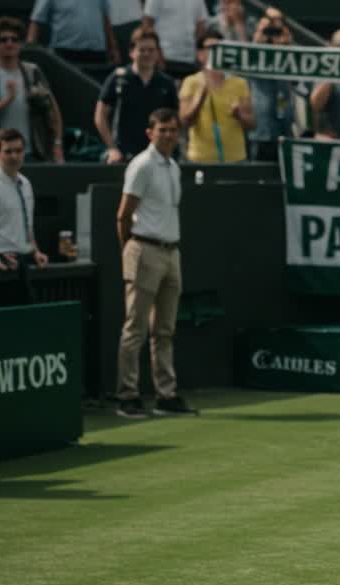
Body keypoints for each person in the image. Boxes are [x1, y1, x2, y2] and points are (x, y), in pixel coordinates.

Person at [114, 108, 198, 419]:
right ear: (150, 133)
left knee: (165, 329)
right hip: (144, 248)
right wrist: (130, 250)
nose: (168, 135)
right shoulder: (141, 165)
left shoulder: (173, 167)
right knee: (135, 327)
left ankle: (166, 394)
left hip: (171, 251)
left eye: (172, 130)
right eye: (162, 130)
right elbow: (123, 214)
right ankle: (128, 396)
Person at [0, 17, 65, 164]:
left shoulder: (32, 72)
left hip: (31, 153)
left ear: (21, 44)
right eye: (3, 40)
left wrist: (57, 143)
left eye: (14, 39)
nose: (9, 43)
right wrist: (5, 102)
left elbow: (52, 110)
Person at [95, 28, 179, 165]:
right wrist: (112, 148)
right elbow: (100, 116)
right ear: (131, 52)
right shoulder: (118, 78)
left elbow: (175, 119)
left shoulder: (166, 83)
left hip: (157, 156)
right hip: (124, 156)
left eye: (151, 50)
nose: (147, 54)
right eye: (142, 50)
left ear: (158, 53)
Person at [0, 129, 49, 301]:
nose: (14, 156)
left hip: (23, 263)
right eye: (8, 151)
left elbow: (26, 224)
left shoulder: (25, 183)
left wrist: (35, 251)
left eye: (18, 151)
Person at [180, 30, 254, 163]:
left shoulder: (240, 83)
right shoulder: (190, 82)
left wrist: (239, 115)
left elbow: (251, 124)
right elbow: (185, 122)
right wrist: (199, 99)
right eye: (211, 48)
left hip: (235, 158)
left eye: (220, 48)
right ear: (200, 54)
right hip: (200, 158)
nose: (216, 53)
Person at [245, 8, 295, 162]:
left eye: (277, 22)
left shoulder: (288, 51)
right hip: (261, 131)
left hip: (284, 131)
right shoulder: (253, 54)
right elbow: (250, 52)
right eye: (270, 22)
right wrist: (262, 30)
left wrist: (284, 40)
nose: (272, 31)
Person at [27, 0, 119, 66]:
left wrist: (113, 48)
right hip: (64, 52)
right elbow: (36, 21)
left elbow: (105, 19)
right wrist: (30, 52)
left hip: (97, 53)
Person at [142, 0, 209, 78]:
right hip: (165, 59)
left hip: (190, 61)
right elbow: (147, 25)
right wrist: (158, 56)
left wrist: (198, 56)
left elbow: (201, 26)